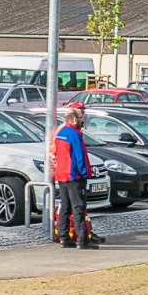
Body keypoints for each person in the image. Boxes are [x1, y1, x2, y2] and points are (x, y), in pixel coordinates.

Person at [49, 105, 96, 250]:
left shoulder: (61, 132)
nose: (83, 120)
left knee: (65, 206)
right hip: (74, 175)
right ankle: (83, 240)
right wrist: (85, 173)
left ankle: (64, 238)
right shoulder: (75, 134)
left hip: (62, 174)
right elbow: (80, 156)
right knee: (79, 207)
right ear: (75, 119)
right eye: (82, 118)